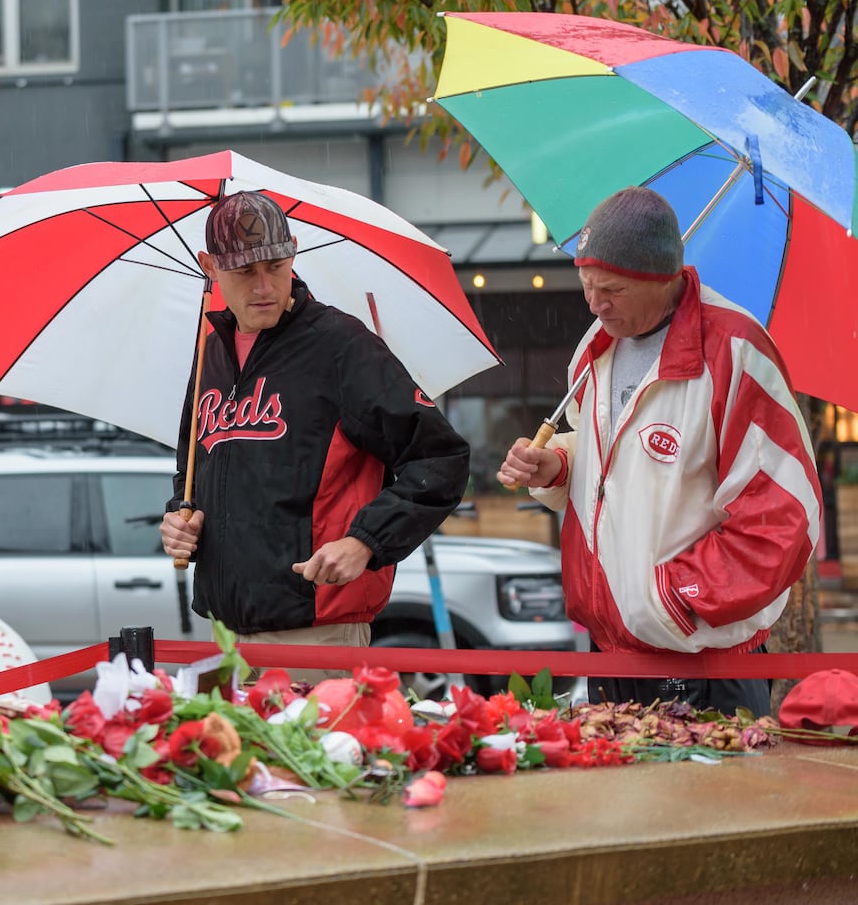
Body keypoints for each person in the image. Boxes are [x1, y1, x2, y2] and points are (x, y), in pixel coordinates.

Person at [496, 187, 822, 716]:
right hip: (610, 654)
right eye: (586, 285)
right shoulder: (594, 347)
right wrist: (556, 465)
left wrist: (671, 599)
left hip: (704, 664)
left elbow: (783, 515)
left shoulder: (737, 350)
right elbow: (609, 459)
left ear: (663, 278)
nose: (595, 304)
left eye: (613, 289)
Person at [158, 190, 471, 675]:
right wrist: (181, 521)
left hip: (319, 635)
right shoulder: (211, 354)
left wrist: (366, 541)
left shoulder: (342, 346)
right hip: (228, 635)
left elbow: (440, 459)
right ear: (210, 265)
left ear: (293, 253)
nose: (264, 285)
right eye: (244, 271)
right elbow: (193, 473)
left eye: (276, 266)